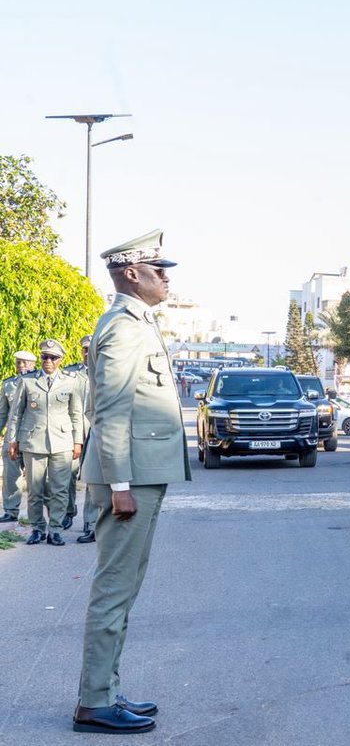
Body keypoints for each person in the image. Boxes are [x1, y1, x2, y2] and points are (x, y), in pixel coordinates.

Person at [74, 230, 190, 735]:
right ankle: (95, 702)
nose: (165, 277)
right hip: (129, 480)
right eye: (157, 269)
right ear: (130, 273)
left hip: (140, 476)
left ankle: (105, 690)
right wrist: (119, 483)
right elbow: (113, 411)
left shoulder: (136, 322)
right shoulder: (124, 327)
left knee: (124, 588)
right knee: (115, 590)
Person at [5, 339, 84, 546]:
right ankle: (37, 528)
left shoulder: (71, 381)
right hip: (33, 441)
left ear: (60, 360)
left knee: (59, 490)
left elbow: (76, 414)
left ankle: (55, 529)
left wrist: (78, 441)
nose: (48, 361)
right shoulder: (28, 381)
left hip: (62, 442)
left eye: (53, 357)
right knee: (35, 489)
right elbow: (16, 414)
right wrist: (12, 440)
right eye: (44, 357)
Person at [0, 350, 37, 523]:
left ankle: (39, 513)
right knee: (10, 475)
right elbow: (2, 413)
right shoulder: (8, 384)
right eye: (18, 362)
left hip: (32, 435)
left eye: (25, 362)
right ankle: (11, 510)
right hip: (12, 436)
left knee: (36, 477)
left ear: (33, 364)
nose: (21, 365)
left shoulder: (38, 381)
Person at [64, 335, 94, 537]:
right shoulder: (71, 373)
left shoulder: (106, 371)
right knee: (67, 475)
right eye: (85, 349)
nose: (87, 353)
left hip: (95, 431)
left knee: (92, 477)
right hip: (72, 432)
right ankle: (68, 511)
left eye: (91, 349)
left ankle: (90, 521)